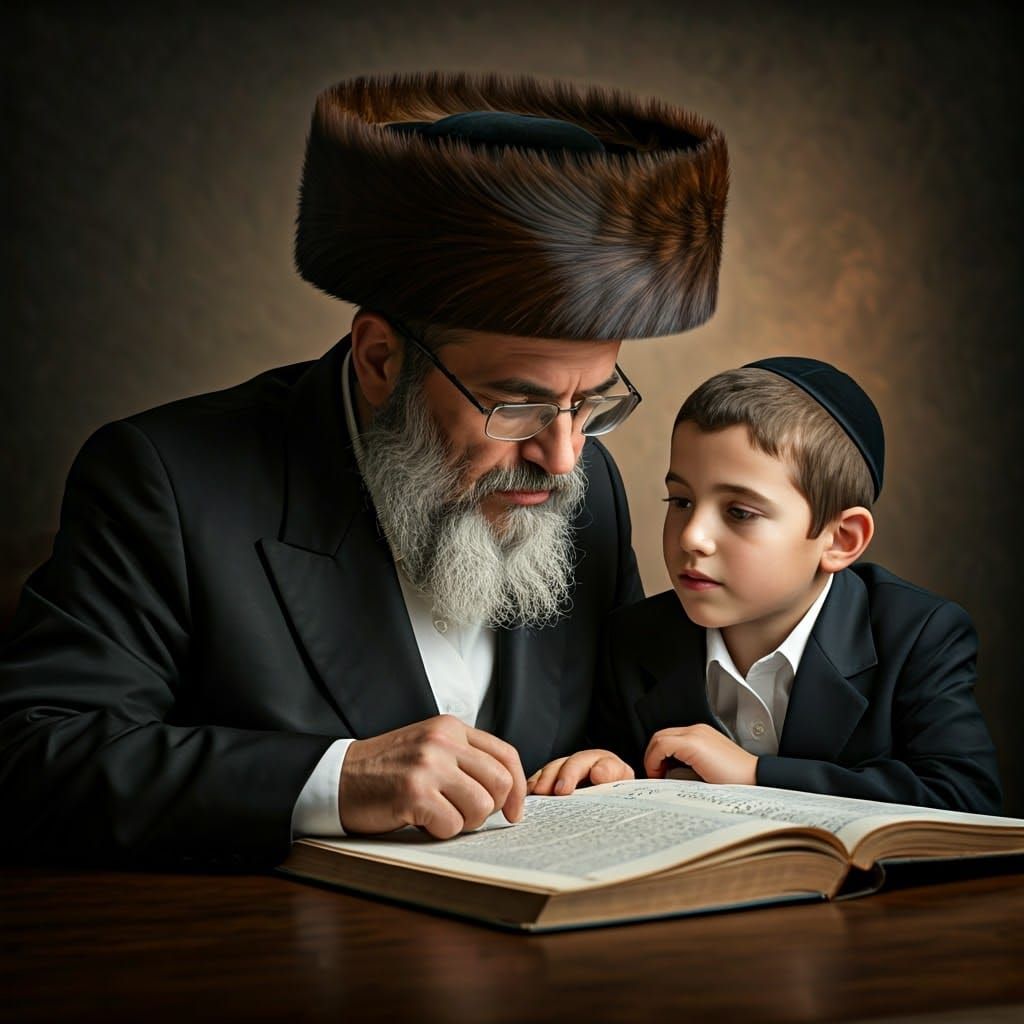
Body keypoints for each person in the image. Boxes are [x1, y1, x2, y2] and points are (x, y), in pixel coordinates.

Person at [0, 72, 729, 866]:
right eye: (514, 405)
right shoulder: (166, 481)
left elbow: (611, 730)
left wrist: (612, 766)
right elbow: (35, 761)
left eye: (592, 403)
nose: (563, 456)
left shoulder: (589, 493)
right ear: (381, 359)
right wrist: (335, 779)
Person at [529, 357, 1002, 813]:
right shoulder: (633, 641)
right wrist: (607, 769)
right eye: (681, 501)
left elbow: (966, 800)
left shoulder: (918, 635)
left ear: (840, 539)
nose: (692, 536)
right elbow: (625, 772)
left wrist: (757, 774)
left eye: (740, 513)